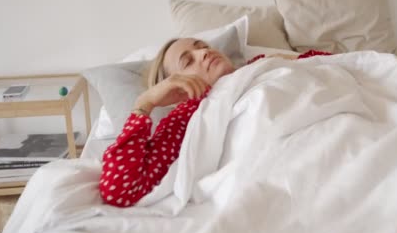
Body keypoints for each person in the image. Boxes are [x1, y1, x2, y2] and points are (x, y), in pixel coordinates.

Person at [99, 38, 330, 207]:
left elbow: (339, 65)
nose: (204, 53)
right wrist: (145, 102)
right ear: (176, 86)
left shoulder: (261, 65)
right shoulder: (186, 116)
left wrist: (290, 62)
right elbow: (120, 189)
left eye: (202, 46)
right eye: (188, 61)